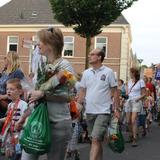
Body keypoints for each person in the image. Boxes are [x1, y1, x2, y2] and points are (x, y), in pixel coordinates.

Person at [21, 27, 75, 160]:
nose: (37, 44)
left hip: (57, 123)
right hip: (37, 121)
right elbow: (36, 90)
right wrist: (30, 93)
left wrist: (43, 94)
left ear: (50, 45)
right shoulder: (41, 65)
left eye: (40, 41)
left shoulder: (65, 66)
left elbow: (68, 96)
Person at [77, 48, 119, 160]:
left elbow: (115, 91)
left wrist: (117, 109)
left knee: (95, 139)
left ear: (99, 57)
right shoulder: (86, 73)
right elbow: (82, 91)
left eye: (92, 54)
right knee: (95, 140)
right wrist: (77, 107)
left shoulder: (108, 72)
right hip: (89, 111)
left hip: (103, 111)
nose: (89, 56)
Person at [0, 78, 28, 160]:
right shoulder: (10, 105)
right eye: (7, 89)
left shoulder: (23, 104)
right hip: (11, 135)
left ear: (20, 92)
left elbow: (27, 119)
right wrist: (1, 120)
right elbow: (9, 118)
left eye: (12, 89)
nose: (8, 91)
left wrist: (21, 124)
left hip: (20, 136)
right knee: (11, 155)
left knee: (18, 154)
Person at [125, 67, 146, 147]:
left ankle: (134, 138)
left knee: (133, 120)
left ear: (134, 73)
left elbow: (144, 94)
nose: (129, 74)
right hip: (129, 101)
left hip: (136, 101)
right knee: (128, 121)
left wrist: (138, 98)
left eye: (130, 72)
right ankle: (131, 135)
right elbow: (127, 93)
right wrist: (125, 95)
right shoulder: (129, 82)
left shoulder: (141, 82)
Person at [0, 52, 24, 118]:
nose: (4, 59)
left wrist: (2, 97)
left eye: (5, 58)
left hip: (8, 104)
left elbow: (20, 90)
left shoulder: (17, 72)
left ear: (10, 60)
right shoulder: (5, 72)